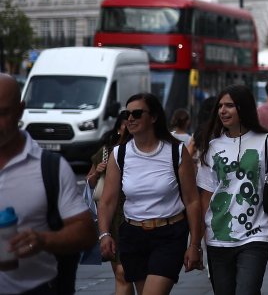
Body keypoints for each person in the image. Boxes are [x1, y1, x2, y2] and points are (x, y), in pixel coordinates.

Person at [97, 92, 204, 295]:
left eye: (137, 113)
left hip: (169, 235)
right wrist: (104, 234)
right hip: (133, 235)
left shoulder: (176, 152)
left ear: (153, 117)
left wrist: (195, 244)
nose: (130, 118)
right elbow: (107, 201)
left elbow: (192, 201)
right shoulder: (119, 154)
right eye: (126, 114)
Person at [0, 73, 96, 295]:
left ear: (20, 110)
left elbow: (85, 232)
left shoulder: (50, 168)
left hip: (36, 289)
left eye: (2, 113)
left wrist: (44, 240)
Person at [195, 84, 268, 295]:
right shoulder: (212, 147)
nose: (223, 111)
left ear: (244, 108)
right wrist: (198, 242)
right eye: (220, 106)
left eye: (229, 105)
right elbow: (205, 198)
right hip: (217, 239)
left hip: (255, 236)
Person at [86, 121, 134, 295]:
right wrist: (97, 172)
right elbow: (89, 182)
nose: (129, 127)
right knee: (121, 273)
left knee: (133, 273)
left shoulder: (142, 151)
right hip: (114, 214)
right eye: (125, 124)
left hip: (137, 215)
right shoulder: (106, 152)